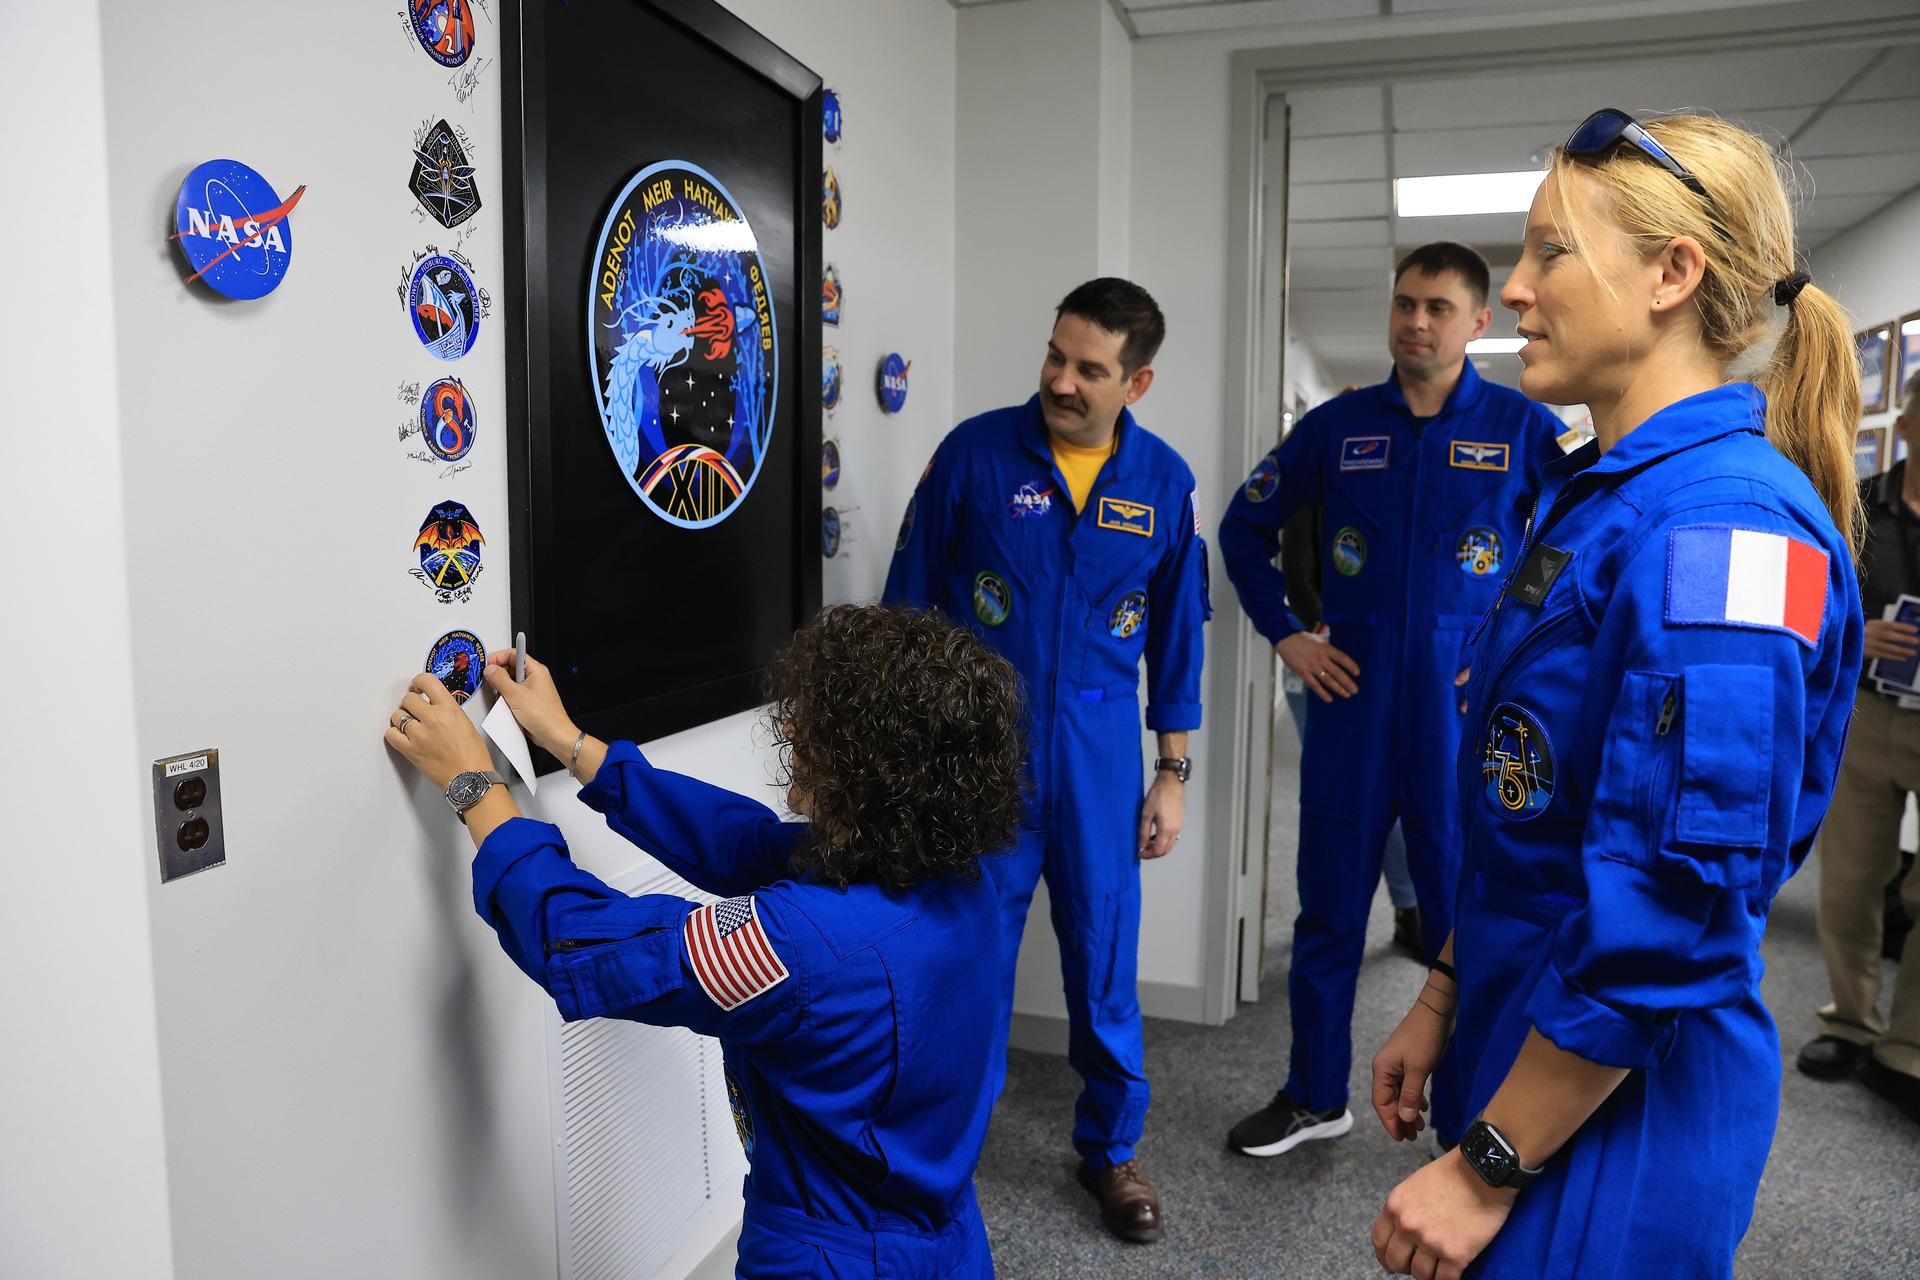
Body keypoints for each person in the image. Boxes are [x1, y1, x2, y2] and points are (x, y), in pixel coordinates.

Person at [1367, 109, 1863, 1280]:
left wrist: (1489, 1159)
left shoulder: (1724, 533)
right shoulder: (1601, 495)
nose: (1520, 291)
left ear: (1671, 275)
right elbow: (1534, 810)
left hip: (1615, 1101)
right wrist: (1443, 990)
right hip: (1530, 1025)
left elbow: (1672, 912)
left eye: (1549, 252)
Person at [382, 605, 1026, 1279]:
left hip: (833, 1260)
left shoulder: (797, 948)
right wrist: (569, 741)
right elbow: (741, 842)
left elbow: (577, 941)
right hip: (945, 1242)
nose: (790, 731)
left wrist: (472, 783)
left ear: (863, 765)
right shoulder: (956, 876)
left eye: (811, 724)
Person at [1218, 243, 1566, 1158]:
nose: (1417, 321)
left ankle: (1467, 1112)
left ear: (1478, 323)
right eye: (1406, 303)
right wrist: (1287, 632)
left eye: (1439, 308)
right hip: (1352, 711)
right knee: (1329, 910)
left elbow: (1574, 548)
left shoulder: (1525, 430)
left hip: (1458, 721)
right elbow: (1242, 527)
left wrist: (1509, 648)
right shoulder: (1338, 428)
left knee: (1464, 921)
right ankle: (1312, 1094)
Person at [883, 277, 1208, 1243]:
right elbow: (906, 616)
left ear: (1136, 382)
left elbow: (1176, 641)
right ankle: (941, 1162)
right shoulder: (974, 456)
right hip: (979, 752)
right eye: (1056, 355)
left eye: (1090, 369)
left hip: (1102, 756)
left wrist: (1172, 773)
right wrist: (905, 759)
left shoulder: (1164, 484)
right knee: (963, 963)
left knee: (1105, 965)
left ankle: (1110, 1154)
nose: (1062, 381)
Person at [1795, 365, 1920, 1127]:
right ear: (1905, 425)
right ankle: (1848, 1022)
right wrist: (1856, 632)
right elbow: (1806, 600)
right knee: (1849, 884)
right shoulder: (1857, 509)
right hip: (1867, 714)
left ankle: (1909, 1045)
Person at [1279, 445, 1423, 962]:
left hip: (1384, 673)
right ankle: (1355, 919)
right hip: (1322, 663)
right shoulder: (1312, 494)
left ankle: (1408, 909)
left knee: (1394, 797)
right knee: (1350, 796)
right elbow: (1298, 578)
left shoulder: (1388, 499)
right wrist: (1326, 640)